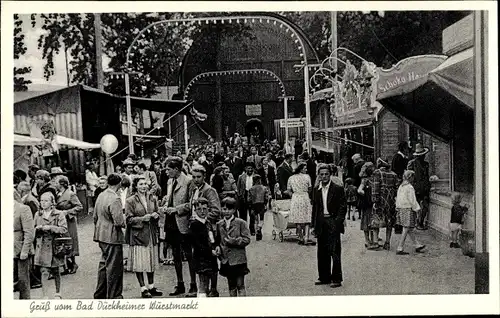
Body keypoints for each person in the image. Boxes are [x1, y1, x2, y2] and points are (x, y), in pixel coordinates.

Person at [159, 157, 196, 297]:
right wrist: (166, 202)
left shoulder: (188, 182)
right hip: (171, 222)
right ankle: (180, 284)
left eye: (169, 169)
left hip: (183, 222)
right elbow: (171, 198)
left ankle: (193, 284)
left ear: (176, 169)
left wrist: (176, 209)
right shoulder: (170, 181)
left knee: (188, 254)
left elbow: (191, 204)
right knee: (175, 254)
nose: (166, 172)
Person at [184, 165, 222, 297]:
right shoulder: (193, 188)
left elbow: (216, 210)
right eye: (193, 177)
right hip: (196, 227)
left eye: (198, 177)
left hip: (207, 228)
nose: (196, 179)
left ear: (204, 177)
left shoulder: (209, 190)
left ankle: (213, 288)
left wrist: (203, 217)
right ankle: (203, 289)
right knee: (199, 258)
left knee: (210, 258)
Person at [125, 176, 163, 298]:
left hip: (151, 233)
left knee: (151, 260)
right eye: (141, 184)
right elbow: (129, 219)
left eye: (146, 184)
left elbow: (157, 211)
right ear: (135, 186)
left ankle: (151, 286)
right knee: (140, 261)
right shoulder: (130, 200)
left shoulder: (153, 198)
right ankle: (143, 288)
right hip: (138, 235)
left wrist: (157, 214)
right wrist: (142, 219)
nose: (144, 186)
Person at [311, 164, 347, 288]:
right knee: (322, 251)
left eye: (326, 174)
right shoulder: (316, 190)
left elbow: (343, 206)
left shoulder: (337, 188)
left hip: (333, 221)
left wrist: (337, 222)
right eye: (321, 174)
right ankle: (324, 277)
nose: (324, 176)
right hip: (321, 223)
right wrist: (313, 225)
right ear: (319, 176)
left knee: (334, 251)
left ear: (330, 175)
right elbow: (315, 208)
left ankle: (336, 278)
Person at [93, 173, 127, 299]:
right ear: (119, 184)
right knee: (114, 268)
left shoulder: (101, 195)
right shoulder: (115, 198)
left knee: (103, 265)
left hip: (101, 234)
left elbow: (95, 216)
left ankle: (100, 293)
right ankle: (114, 295)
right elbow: (118, 221)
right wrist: (125, 222)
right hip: (112, 236)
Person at [34, 192, 68, 299]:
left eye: (46, 201)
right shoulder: (37, 214)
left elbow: (64, 229)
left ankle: (58, 292)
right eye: (41, 201)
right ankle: (45, 295)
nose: (43, 203)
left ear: (52, 202)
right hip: (42, 246)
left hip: (55, 246)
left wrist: (50, 228)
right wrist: (37, 229)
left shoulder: (59, 214)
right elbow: (33, 228)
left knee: (56, 270)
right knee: (44, 271)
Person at [216, 197, 251, 297]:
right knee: (231, 285)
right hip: (226, 260)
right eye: (224, 209)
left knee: (240, 285)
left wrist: (235, 241)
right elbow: (218, 240)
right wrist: (217, 248)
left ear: (234, 210)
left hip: (239, 260)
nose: (226, 211)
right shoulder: (219, 224)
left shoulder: (241, 223)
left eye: (229, 209)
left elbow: (247, 239)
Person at [189, 198, 219, 297]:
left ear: (208, 209)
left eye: (205, 209)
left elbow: (213, 239)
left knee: (213, 283)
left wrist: (216, 247)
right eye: (199, 209)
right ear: (195, 210)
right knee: (203, 283)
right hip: (201, 258)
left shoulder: (208, 222)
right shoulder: (194, 225)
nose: (202, 212)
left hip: (212, 258)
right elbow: (197, 244)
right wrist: (210, 252)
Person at [55, 176, 83, 275]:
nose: (55, 184)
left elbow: (79, 207)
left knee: (70, 241)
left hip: (69, 221)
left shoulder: (70, 194)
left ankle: (73, 264)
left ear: (62, 184)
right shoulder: (57, 194)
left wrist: (67, 212)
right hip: (61, 221)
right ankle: (66, 265)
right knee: (62, 242)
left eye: (56, 182)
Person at [395, 170, 426, 255]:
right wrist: (417, 208)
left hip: (401, 208)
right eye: (413, 177)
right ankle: (400, 247)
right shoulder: (410, 187)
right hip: (408, 208)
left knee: (409, 229)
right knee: (406, 228)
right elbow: (412, 200)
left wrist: (397, 207)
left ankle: (417, 245)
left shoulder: (401, 186)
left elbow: (398, 198)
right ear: (410, 177)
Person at [372, 158, 399, 250]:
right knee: (389, 222)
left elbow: (375, 187)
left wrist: (375, 201)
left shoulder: (377, 173)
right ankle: (387, 242)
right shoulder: (394, 174)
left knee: (376, 221)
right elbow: (396, 188)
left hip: (380, 200)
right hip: (390, 201)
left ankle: (375, 242)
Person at [287, 162, 314, 245]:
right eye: (305, 168)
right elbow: (310, 188)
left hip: (296, 197)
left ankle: (301, 237)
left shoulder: (291, 178)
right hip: (304, 196)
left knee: (297, 217)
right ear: (301, 169)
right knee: (307, 218)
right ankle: (306, 237)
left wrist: (294, 195)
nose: (306, 170)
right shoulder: (307, 177)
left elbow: (289, 190)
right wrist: (305, 192)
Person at [14, 198, 35, 299]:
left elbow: (29, 232)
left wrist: (25, 251)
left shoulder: (23, 209)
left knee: (23, 281)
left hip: (20, 250)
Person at [358, 162, 383, 250]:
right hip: (369, 204)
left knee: (371, 223)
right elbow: (360, 190)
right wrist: (368, 195)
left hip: (370, 204)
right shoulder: (367, 180)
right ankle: (369, 241)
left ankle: (371, 241)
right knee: (370, 223)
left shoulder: (368, 179)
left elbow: (360, 190)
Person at [407, 143, 431, 230]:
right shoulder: (412, 164)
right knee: (414, 206)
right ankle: (413, 223)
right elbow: (408, 176)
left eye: (423, 155)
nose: (423, 157)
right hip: (415, 188)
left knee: (425, 206)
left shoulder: (426, 164)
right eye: (421, 155)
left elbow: (427, 176)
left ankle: (420, 222)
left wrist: (428, 184)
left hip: (424, 188)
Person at [248, 174, 270, 241]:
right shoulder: (264, 188)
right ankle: (259, 228)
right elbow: (266, 197)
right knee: (261, 219)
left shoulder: (251, 189)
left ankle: (256, 228)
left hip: (254, 205)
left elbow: (249, 199)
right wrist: (266, 205)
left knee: (255, 219)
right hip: (261, 204)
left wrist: (250, 207)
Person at [236, 162, 255, 230]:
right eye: (248, 168)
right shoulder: (241, 177)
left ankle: (252, 228)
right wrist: (240, 195)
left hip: (252, 196)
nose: (250, 170)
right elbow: (238, 187)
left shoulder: (255, 176)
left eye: (251, 168)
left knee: (252, 213)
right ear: (245, 169)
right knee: (243, 213)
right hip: (244, 195)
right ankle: (244, 228)